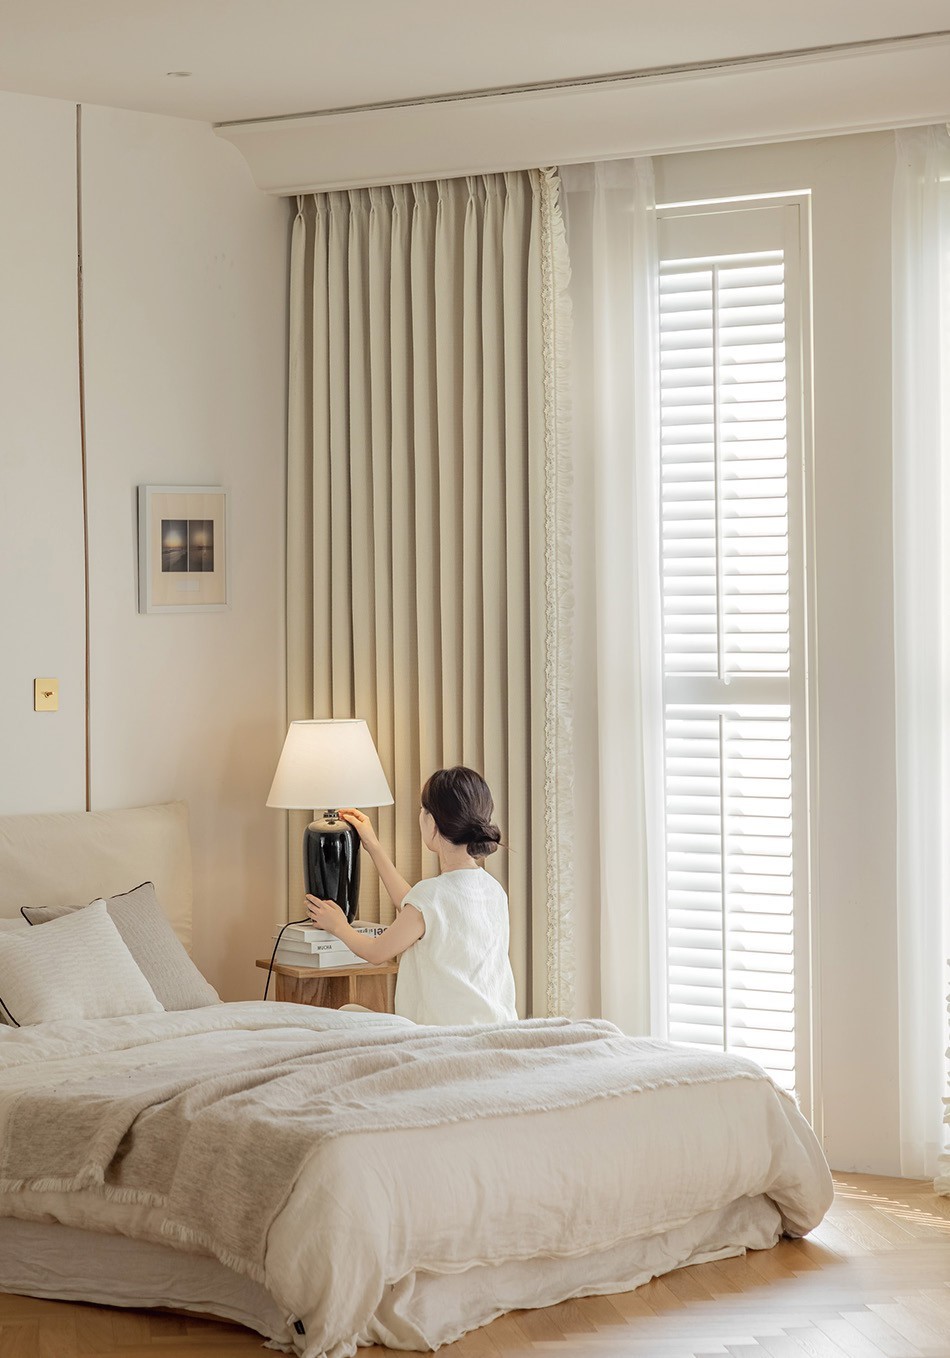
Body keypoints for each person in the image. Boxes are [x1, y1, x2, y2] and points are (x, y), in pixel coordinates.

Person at [306, 766, 518, 1025]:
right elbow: (418, 910)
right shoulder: (493, 890)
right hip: (495, 1030)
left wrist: (339, 926)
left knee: (346, 1012)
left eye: (422, 809)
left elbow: (376, 952)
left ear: (432, 822)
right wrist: (372, 845)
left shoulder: (430, 897)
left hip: (437, 1038)